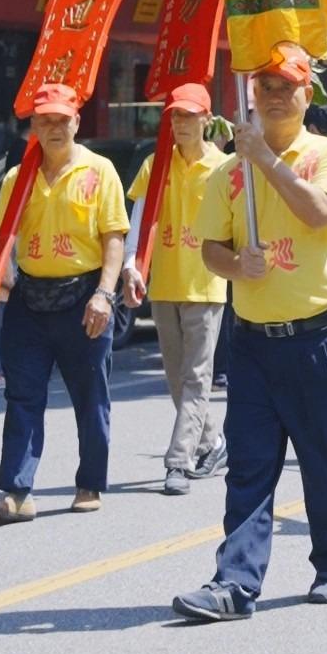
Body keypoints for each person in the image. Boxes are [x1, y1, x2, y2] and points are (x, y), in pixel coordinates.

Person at [172, 44, 327, 622]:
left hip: (318, 337)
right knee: (251, 466)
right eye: (266, 86)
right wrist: (236, 266)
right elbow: (210, 249)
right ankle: (235, 583)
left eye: (287, 86)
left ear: (308, 95)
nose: (275, 95)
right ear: (252, 94)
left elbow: (321, 213)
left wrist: (265, 161)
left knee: (326, 462)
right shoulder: (228, 173)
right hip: (253, 341)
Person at [0, 83, 128, 522]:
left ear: (76, 122)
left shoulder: (101, 171)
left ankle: (90, 481)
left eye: (62, 119)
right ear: (33, 127)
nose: (54, 128)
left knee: (90, 395)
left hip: (84, 297)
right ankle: (17, 492)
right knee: (22, 396)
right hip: (29, 299)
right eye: (45, 121)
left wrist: (104, 294)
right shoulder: (20, 177)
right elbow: (1, 234)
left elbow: (113, 237)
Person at [123, 83, 228, 495]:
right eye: (175, 116)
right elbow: (140, 218)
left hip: (206, 283)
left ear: (207, 119)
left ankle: (178, 463)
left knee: (197, 376)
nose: (181, 123)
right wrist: (133, 265)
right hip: (165, 282)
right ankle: (213, 441)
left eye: (189, 115)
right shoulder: (156, 164)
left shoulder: (224, 166)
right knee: (175, 377)